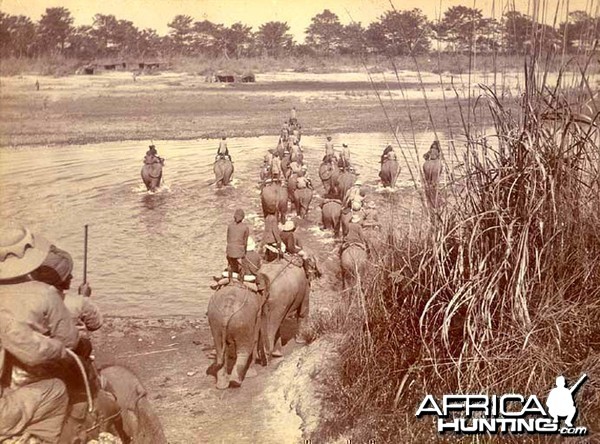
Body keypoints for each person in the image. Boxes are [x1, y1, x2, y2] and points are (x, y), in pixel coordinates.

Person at [0, 221, 80, 443]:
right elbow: (68, 342)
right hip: (14, 395)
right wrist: (59, 349)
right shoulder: (44, 293)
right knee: (56, 390)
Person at [30, 245, 102, 335]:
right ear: (61, 279)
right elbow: (95, 324)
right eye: (68, 274)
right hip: (72, 347)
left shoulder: (28, 303)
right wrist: (84, 298)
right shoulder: (78, 303)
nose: (71, 277)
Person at [226, 209, 249, 283]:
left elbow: (228, 239)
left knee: (230, 264)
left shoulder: (230, 226)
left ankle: (230, 280)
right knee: (242, 266)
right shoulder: (245, 227)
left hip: (229, 250)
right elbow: (245, 242)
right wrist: (244, 253)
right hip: (239, 251)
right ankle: (241, 281)